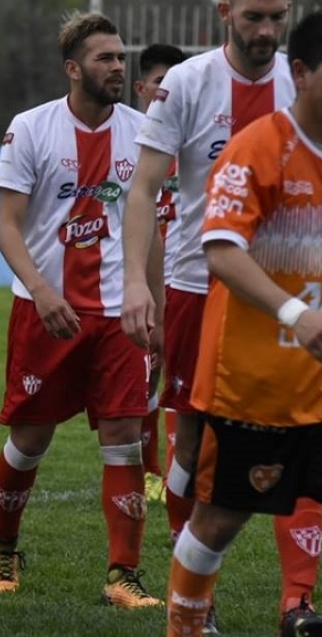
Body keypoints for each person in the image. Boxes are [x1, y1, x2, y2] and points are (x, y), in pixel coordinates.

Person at [121, 0, 322, 632]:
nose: (265, 31)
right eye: (252, 17)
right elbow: (143, 187)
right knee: (192, 441)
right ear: (224, 12)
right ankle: (195, 598)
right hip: (196, 286)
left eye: (276, 17)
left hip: (285, 293)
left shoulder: (302, 83)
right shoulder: (187, 83)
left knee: (303, 432)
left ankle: (298, 604)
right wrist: (135, 281)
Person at [166, 9, 322, 637]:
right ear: (302, 73)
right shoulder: (257, 149)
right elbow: (221, 250)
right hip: (252, 388)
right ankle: (183, 627)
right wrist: (297, 314)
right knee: (218, 521)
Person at [0, 11, 163, 611]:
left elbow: (150, 233)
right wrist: (41, 289)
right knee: (29, 439)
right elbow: (7, 227)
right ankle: (3, 547)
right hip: (47, 312)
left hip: (118, 316)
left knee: (125, 438)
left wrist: (156, 311)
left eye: (121, 57)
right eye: (105, 58)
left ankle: (123, 574)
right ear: (73, 68)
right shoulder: (31, 128)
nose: (118, 67)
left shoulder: (143, 132)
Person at [131, 43, 187, 507]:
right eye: (160, 84)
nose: (169, 92)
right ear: (141, 88)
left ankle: (175, 472)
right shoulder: (131, 144)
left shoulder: (194, 142)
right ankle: (149, 470)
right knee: (146, 372)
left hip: (187, 275)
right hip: (144, 278)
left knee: (180, 374)